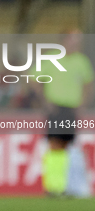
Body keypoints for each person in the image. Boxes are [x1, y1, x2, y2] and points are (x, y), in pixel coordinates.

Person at [31, 29, 94, 196]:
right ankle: (54, 187)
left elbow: (88, 83)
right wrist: (45, 101)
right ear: (65, 40)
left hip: (71, 108)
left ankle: (62, 186)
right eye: (74, 40)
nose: (76, 43)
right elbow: (34, 78)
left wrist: (82, 104)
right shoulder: (52, 58)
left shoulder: (81, 61)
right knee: (55, 144)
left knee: (66, 145)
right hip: (56, 107)